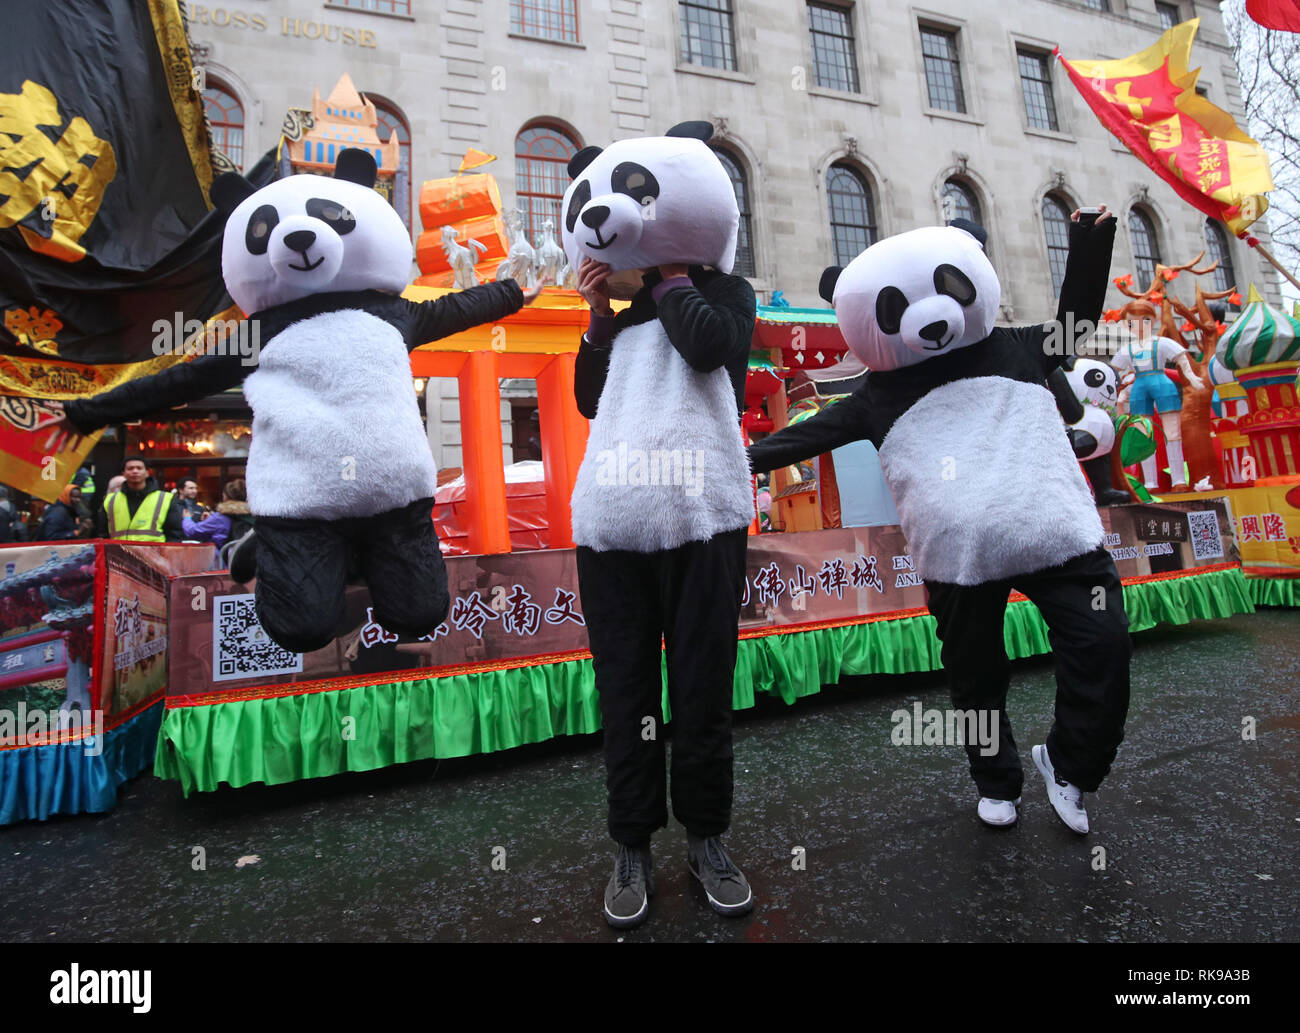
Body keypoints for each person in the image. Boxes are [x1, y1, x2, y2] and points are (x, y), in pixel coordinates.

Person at [562, 122, 757, 929]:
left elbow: (711, 351)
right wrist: (599, 315)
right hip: (611, 523)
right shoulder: (624, 310)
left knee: (703, 690)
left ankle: (708, 836)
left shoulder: (721, 293)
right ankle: (632, 843)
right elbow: (585, 397)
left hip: (702, 515)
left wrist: (672, 273)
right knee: (628, 691)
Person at [1110, 300, 1203, 491]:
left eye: (1145, 320)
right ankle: (1150, 482)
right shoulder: (1126, 350)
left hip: (1162, 385)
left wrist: (1192, 377)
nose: (1139, 326)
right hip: (1139, 388)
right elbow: (1113, 372)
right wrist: (1117, 389)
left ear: (1153, 320)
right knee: (1144, 435)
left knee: (1172, 433)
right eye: (1132, 323)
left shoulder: (1162, 343)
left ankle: (1179, 480)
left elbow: (1181, 358)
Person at [95, 457, 183, 542]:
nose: (135, 471)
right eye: (130, 468)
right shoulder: (111, 500)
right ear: (123, 473)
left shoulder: (165, 499)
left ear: (147, 472)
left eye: (139, 468)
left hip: (153, 555)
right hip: (118, 554)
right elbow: (103, 533)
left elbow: (174, 533)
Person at [182, 478, 252, 551]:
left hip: (223, 559)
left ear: (226, 497)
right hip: (247, 558)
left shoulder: (220, 518)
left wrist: (187, 519)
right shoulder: (252, 516)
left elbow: (194, 531)